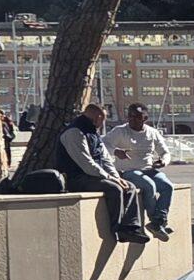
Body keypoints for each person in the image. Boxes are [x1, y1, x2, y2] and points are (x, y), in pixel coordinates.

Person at [57, 98, 149, 241]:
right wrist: (111, 178)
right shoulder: (74, 132)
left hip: (95, 175)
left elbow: (105, 158)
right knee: (114, 188)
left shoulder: (92, 132)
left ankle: (131, 228)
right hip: (77, 178)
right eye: (104, 119)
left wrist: (116, 177)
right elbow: (86, 163)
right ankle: (117, 228)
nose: (103, 123)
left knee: (129, 186)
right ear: (98, 117)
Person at [106, 102, 176, 240]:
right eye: (130, 116)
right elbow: (102, 143)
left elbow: (165, 152)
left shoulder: (152, 132)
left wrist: (163, 161)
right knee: (149, 185)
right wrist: (116, 151)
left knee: (167, 186)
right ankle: (155, 223)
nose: (133, 119)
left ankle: (159, 221)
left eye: (137, 117)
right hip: (127, 171)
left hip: (148, 169)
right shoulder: (120, 131)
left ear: (145, 118)